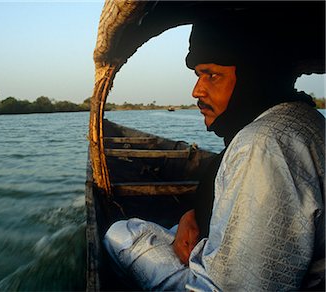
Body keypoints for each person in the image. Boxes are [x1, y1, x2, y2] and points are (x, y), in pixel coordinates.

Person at [103, 15, 325, 291]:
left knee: (121, 235)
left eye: (212, 75)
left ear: (253, 77)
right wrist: (193, 213)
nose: (197, 90)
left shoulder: (262, 145)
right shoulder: (306, 119)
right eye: (198, 75)